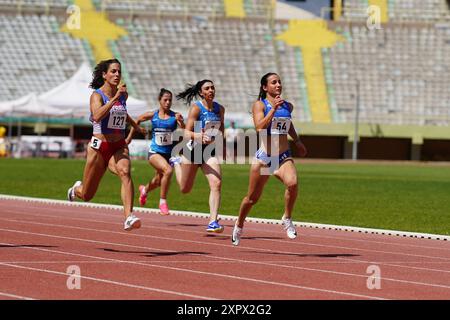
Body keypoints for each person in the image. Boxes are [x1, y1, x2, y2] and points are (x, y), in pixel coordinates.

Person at [67, 58, 146, 231]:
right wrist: (114, 98)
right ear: (104, 75)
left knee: (125, 172)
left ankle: (128, 217)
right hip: (98, 147)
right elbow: (96, 116)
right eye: (113, 71)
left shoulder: (122, 94)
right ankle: (76, 189)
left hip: (118, 145)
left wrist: (135, 126)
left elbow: (123, 114)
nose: (117, 74)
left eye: (119, 71)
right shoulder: (97, 95)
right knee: (87, 195)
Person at [232, 72, 307, 246]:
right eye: (274, 82)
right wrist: (273, 109)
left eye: (279, 81)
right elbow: (259, 127)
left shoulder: (288, 106)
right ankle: (239, 224)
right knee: (252, 199)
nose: (278, 85)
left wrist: (297, 141)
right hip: (265, 159)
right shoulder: (260, 105)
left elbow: (288, 124)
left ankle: (287, 217)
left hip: (282, 157)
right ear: (265, 87)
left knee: (293, 184)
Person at [172, 79, 225, 233]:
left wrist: (217, 139)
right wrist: (198, 136)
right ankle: (176, 162)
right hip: (192, 150)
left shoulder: (220, 109)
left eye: (212, 88)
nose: (211, 90)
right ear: (201, 92)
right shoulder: (196, 108)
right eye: (207, 88)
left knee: (216, 183)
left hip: (209, 152)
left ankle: (213, 221)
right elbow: (186, 132)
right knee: (184, 189)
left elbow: (221, 130)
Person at [126, 88, 185, 215]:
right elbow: (137, 120)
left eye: (170, 100)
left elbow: (186, 131)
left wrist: (182, 123)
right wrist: (130, 137)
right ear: (159, 100)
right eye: (165, 100)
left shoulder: (175, 116)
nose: (168, 102)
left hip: (168, 154)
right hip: (154, 153)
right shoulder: (153, 115)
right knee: (168, 171)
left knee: (159, 181)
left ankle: (144, 190)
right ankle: (162, 202)